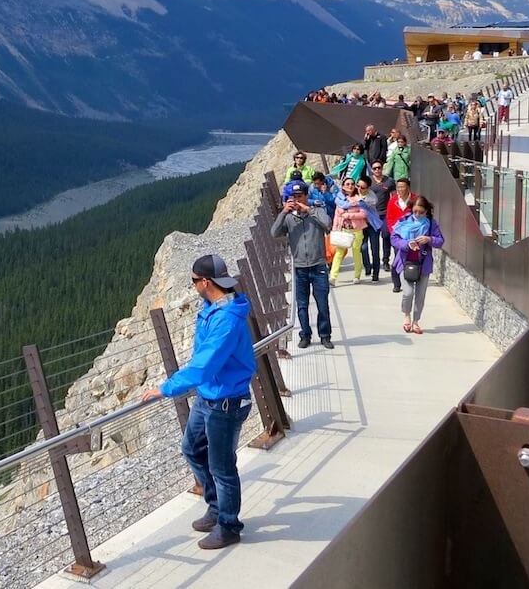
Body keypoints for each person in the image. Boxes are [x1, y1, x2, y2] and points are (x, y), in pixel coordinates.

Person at [140, 254, 256, 550]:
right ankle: (216, 507)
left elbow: (204, 365)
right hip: (209, 396)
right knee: (192, 448)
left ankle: (229, 525)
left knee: (222, 467)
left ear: (205, 282)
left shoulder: (226, 321)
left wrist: (165, 389)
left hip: (226, 402)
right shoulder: (212, 309)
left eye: (193, 280)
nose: (192, 285)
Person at [271, 182, 333, 350]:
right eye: (294, 197)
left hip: (318, 265)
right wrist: (284, 212)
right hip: (300, 267)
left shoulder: (317, 210)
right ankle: (305, 335)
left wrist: (309, 210)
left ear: (306, 196)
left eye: (300, 196)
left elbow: (328, 224)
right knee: (302, 304)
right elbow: (274, 232)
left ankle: (325, 335)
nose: (297, 200)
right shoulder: (290, 217)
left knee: (322, 303)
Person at [390, 196, 445, 333]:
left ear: (427, 211)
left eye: (421, 212)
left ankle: (416, 321)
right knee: (408, 292)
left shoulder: (431, 224)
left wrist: (429, 239)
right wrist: (407, 244)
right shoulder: (403, 221)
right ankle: (406, 315)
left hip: (423, 264)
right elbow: (394, 239)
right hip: (405, 261)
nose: (418, 215)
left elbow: (440, 241)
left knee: (420, 295)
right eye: (415, 211)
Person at [329, 177, 369, 284]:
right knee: (339, 253)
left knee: (356, 252)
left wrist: (349, 215)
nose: (350, 186)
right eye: (347, 184)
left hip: (356, 229)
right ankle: (333, 277)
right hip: (343, 229)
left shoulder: (359, 199)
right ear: (343, 186)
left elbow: (364, 214)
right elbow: (337, 216)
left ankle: (357, 275)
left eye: (352, 184)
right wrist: (335, 229)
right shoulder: (340, 200)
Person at [385, 178, 417, 294]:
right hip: (398, 236)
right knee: (398, 258)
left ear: (408, 187)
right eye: (398, 187)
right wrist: (393, 232)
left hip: (412, 235)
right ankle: (396, 283)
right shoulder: (393, 201)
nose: (400, 189)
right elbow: (389, 218)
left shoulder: (416, 199)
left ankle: (411, 279)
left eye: (402, 187)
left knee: (411, 259)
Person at [366, 161, 395, 274]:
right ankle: (374, 262)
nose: (377, 170)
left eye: (379, 168)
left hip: (385, 213)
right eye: (374, 168)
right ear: (372, 170)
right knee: (374, 240)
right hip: (372, 215)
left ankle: (386, 260)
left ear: (382, 168)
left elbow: (393, 196)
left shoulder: (389, 181)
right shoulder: (369, 181)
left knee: (386, 235)